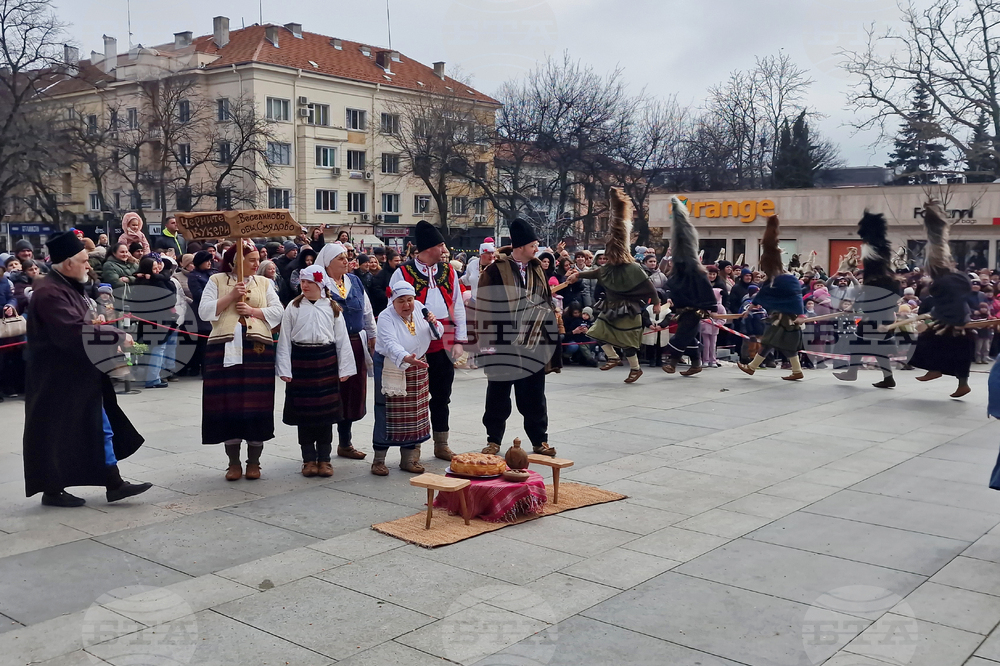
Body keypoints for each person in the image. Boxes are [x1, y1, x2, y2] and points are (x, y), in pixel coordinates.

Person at [22, 230, 150, 507]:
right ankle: (55, 490)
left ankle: (112, 483)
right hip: (56, 378)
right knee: (59, 433)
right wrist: (116, 336)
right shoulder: (49, 292)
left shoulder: (64, 286)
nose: (89, 265)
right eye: (83, 260)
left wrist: (100, 326)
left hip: (78, 374)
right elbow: (71, 331)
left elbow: (82, 325)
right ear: (68, 263)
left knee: (96, 428)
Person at [198, 241, 283, 480]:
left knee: (257, 404)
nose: (257, 264)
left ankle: (254, 462)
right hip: (223, 348)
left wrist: (254, 312)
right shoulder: (216, 281)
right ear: (237, 261)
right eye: (252, 259)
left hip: (257, 349)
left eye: (258, 259)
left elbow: (278, 311)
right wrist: (231, 296)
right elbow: (204, 312)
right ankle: (233, 462)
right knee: (229, 404)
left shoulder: (265, 283)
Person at [477, 218, 559, 457]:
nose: (537, 249)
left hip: (533, 342)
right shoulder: (495, 269)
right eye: (533, 244)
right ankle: (493, 440)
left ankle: (539, 440)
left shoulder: (537, 269)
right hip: (503, 342)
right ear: (521, 246)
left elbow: (546, 301)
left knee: (534, 395)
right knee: (498, 395)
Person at [389, 220, 469, 462]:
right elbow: (392, 310)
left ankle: (441, 443)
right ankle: (412, 449)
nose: (444, 250)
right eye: (441, 245)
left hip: (443, 339)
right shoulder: (402, 273)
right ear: (428, 248)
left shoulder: (449, 271)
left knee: (442, 394)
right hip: (415, 340)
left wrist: (459, 339)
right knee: (414, 396)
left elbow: (457, 306)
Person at [568, 188, 660, 383]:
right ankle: (612, 357)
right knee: (596, 332)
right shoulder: (608, 267)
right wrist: (577, 274)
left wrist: (657, 303)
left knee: (627, 342)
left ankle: (635, 369)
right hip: (610, 307)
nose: (607, 258)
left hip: (628, 309)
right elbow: (596, 272)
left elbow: (649, 287)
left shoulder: (633, 268)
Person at [276, 266, 356, 478]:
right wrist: (284, 367)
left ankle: (325, 459)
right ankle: (308, 459)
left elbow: (342, 340)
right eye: (303, 282)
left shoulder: (332, 307)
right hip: (302, 362)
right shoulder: (293, 307)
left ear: (320, 284)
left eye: (309, 282)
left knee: (325, 416)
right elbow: (284, 339)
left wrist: (345, 367)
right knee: (304, 416)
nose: (305, 285)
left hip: (325, 360)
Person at [371, 282, 443, 475]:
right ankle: (378, 460)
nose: (406, 305)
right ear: (393, 301)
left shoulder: (420, 309)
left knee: (416, 412)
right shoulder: (386, 316)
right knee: (386, 412)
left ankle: (408, 459)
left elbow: (437, 333)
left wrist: (433, 322)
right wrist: (405, 357)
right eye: (401, 301)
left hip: (418, 365)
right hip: (392, 364)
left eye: (409, 300)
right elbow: (390, 343)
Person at [908, 201, 976, 398]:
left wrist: (932, 215)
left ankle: (960, 383)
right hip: (950, 318)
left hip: (954, 322)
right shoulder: (947, 277)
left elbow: (937, 242)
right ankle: (936, 371)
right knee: (930, 343)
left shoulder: (946, 278)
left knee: (952, 350)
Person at [317, 242, 376, 459]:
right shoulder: (319, 283)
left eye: (347, 257)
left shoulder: (355, 280)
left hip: (356, 343)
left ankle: (345, 442)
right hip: (331, 346)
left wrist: (372, 335)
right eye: (340, 258)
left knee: (352, 393)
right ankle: (323, 446)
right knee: (332, 393)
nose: (346, 261)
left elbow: (367, 310)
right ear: (328, 263)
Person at [831, 212, 901, 389]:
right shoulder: (888, 279)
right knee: (868, 346)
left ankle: (856, 373)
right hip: (880, 318)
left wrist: (864, 310)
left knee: (863, 345)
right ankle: (881, 376)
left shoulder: (879, 281)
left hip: (877, 320)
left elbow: (877, 301)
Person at [738, 215, 807, 381]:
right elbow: (764, 294)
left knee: (774, 342)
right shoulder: (781, 279)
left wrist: (801, 314)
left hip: (785, 318)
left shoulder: (783, 280)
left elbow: (790, 297)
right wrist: (753, 306)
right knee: (772, 343)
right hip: (782, 317)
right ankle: (755, 367)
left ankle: (754, 367)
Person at [662, 197, 717, 376]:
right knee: (689, 335)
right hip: (683, 310)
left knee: (683, 335)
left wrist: (711, 307)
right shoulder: (679, 274)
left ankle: (672, 362)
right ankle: (696, 363)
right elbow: (671, 285)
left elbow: (706, 291)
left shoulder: (698, 274)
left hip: (695, 310)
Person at [132, 255, 177, 389]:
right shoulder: (154, 282)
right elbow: (170, 297)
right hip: (158, 318)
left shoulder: (138, 281)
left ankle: (149, 375)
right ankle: (153, 378)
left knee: (150, 348)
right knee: (158, 348)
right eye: (154, 267)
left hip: (146, 319)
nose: (157, 269)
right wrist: (157, 278)